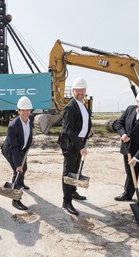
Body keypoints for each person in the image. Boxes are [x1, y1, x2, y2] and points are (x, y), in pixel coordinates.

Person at [58, 77, 92, 216]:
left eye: (82, 90)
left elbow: (82, 122)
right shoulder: (70, 107)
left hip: (80, 143)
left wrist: (88, 130)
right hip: (71, 145)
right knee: (68, 172)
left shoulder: (82, 104)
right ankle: (66, 202)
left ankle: (72, 192)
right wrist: (80, 147)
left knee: (76, 170)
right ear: (73, 91)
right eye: (77, 90)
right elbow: (69, 130)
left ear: (85, 91)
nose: (80, 92)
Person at [1, 96, 34, 211]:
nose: (25, 112)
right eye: (23, 110)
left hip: (21, 148)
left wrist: (28, 144)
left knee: (24, 167)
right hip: (10, 150)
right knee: (18, 171)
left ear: (30, 110)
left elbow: (28, 134)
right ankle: (16, 200)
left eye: (27, 110)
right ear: (18, 111)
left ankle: (22, 183)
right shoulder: (13, 125)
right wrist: (18, 164)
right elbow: (14, 147)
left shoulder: (30, 120)